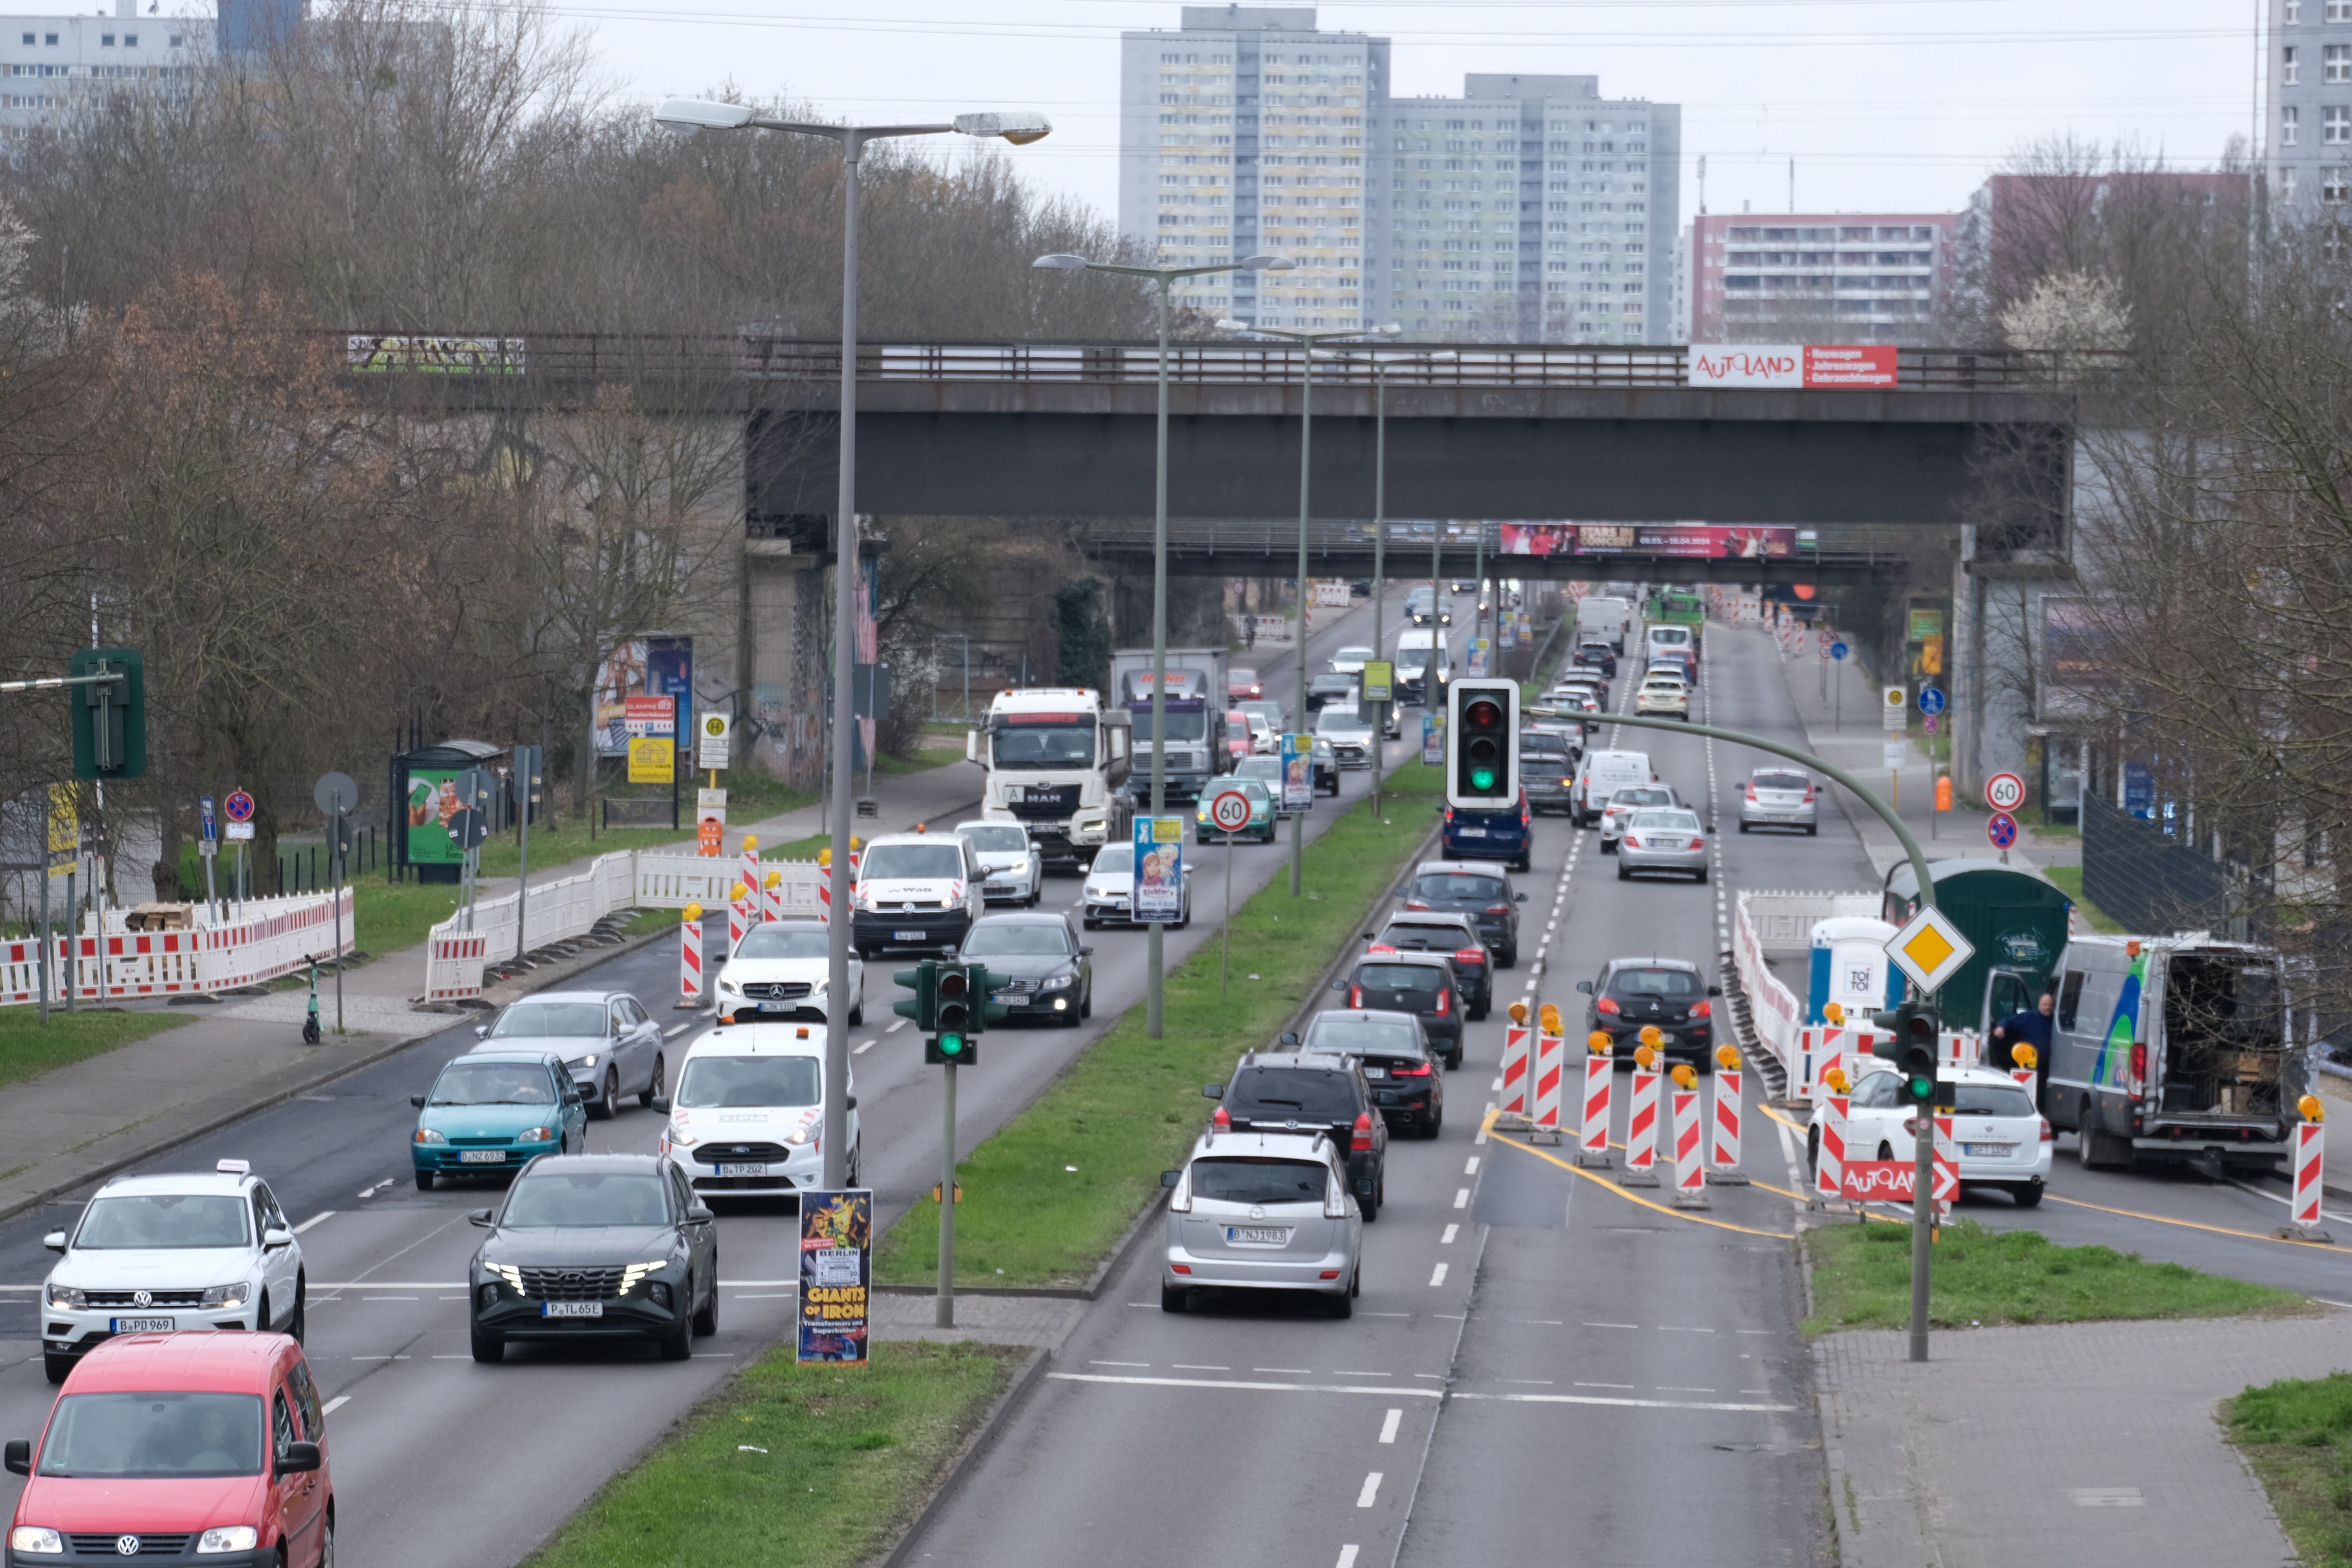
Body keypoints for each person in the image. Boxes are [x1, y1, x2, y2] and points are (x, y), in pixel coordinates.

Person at [1988, 990, 2056, 1071]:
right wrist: (2001, 1028)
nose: (2048, 1008)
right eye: (2045, 1005)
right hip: (2028, 1066)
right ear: (2039, 1005)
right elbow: (2008, 1021)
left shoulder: (2057, 1022)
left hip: (2050, 1068)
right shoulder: (2028, 1017)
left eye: (2050, 1005)